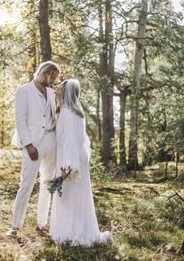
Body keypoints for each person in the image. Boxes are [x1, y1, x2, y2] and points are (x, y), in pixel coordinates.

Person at [49, 79, 112, 246]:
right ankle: (70, 231)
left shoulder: (69, 114)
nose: (57, 85)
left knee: (70, 197)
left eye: (60, 84)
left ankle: (74, 233)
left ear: (66, 91)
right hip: (72, 159)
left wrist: (67, 169)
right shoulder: (67, 111)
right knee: (72, 197)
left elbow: (71, 141)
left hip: (70, 162)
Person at [6, 61, 60, 236]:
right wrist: (28, 145)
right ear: (45, 73)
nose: (53, 81)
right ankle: (15, 226)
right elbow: (20, 120)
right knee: (27, 183)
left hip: (51, 141)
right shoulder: (24, 91)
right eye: (52, 77)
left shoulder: (51, 93)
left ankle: (42, 223)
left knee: (47, 185)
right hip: (33, 144)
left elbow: (54, 116)